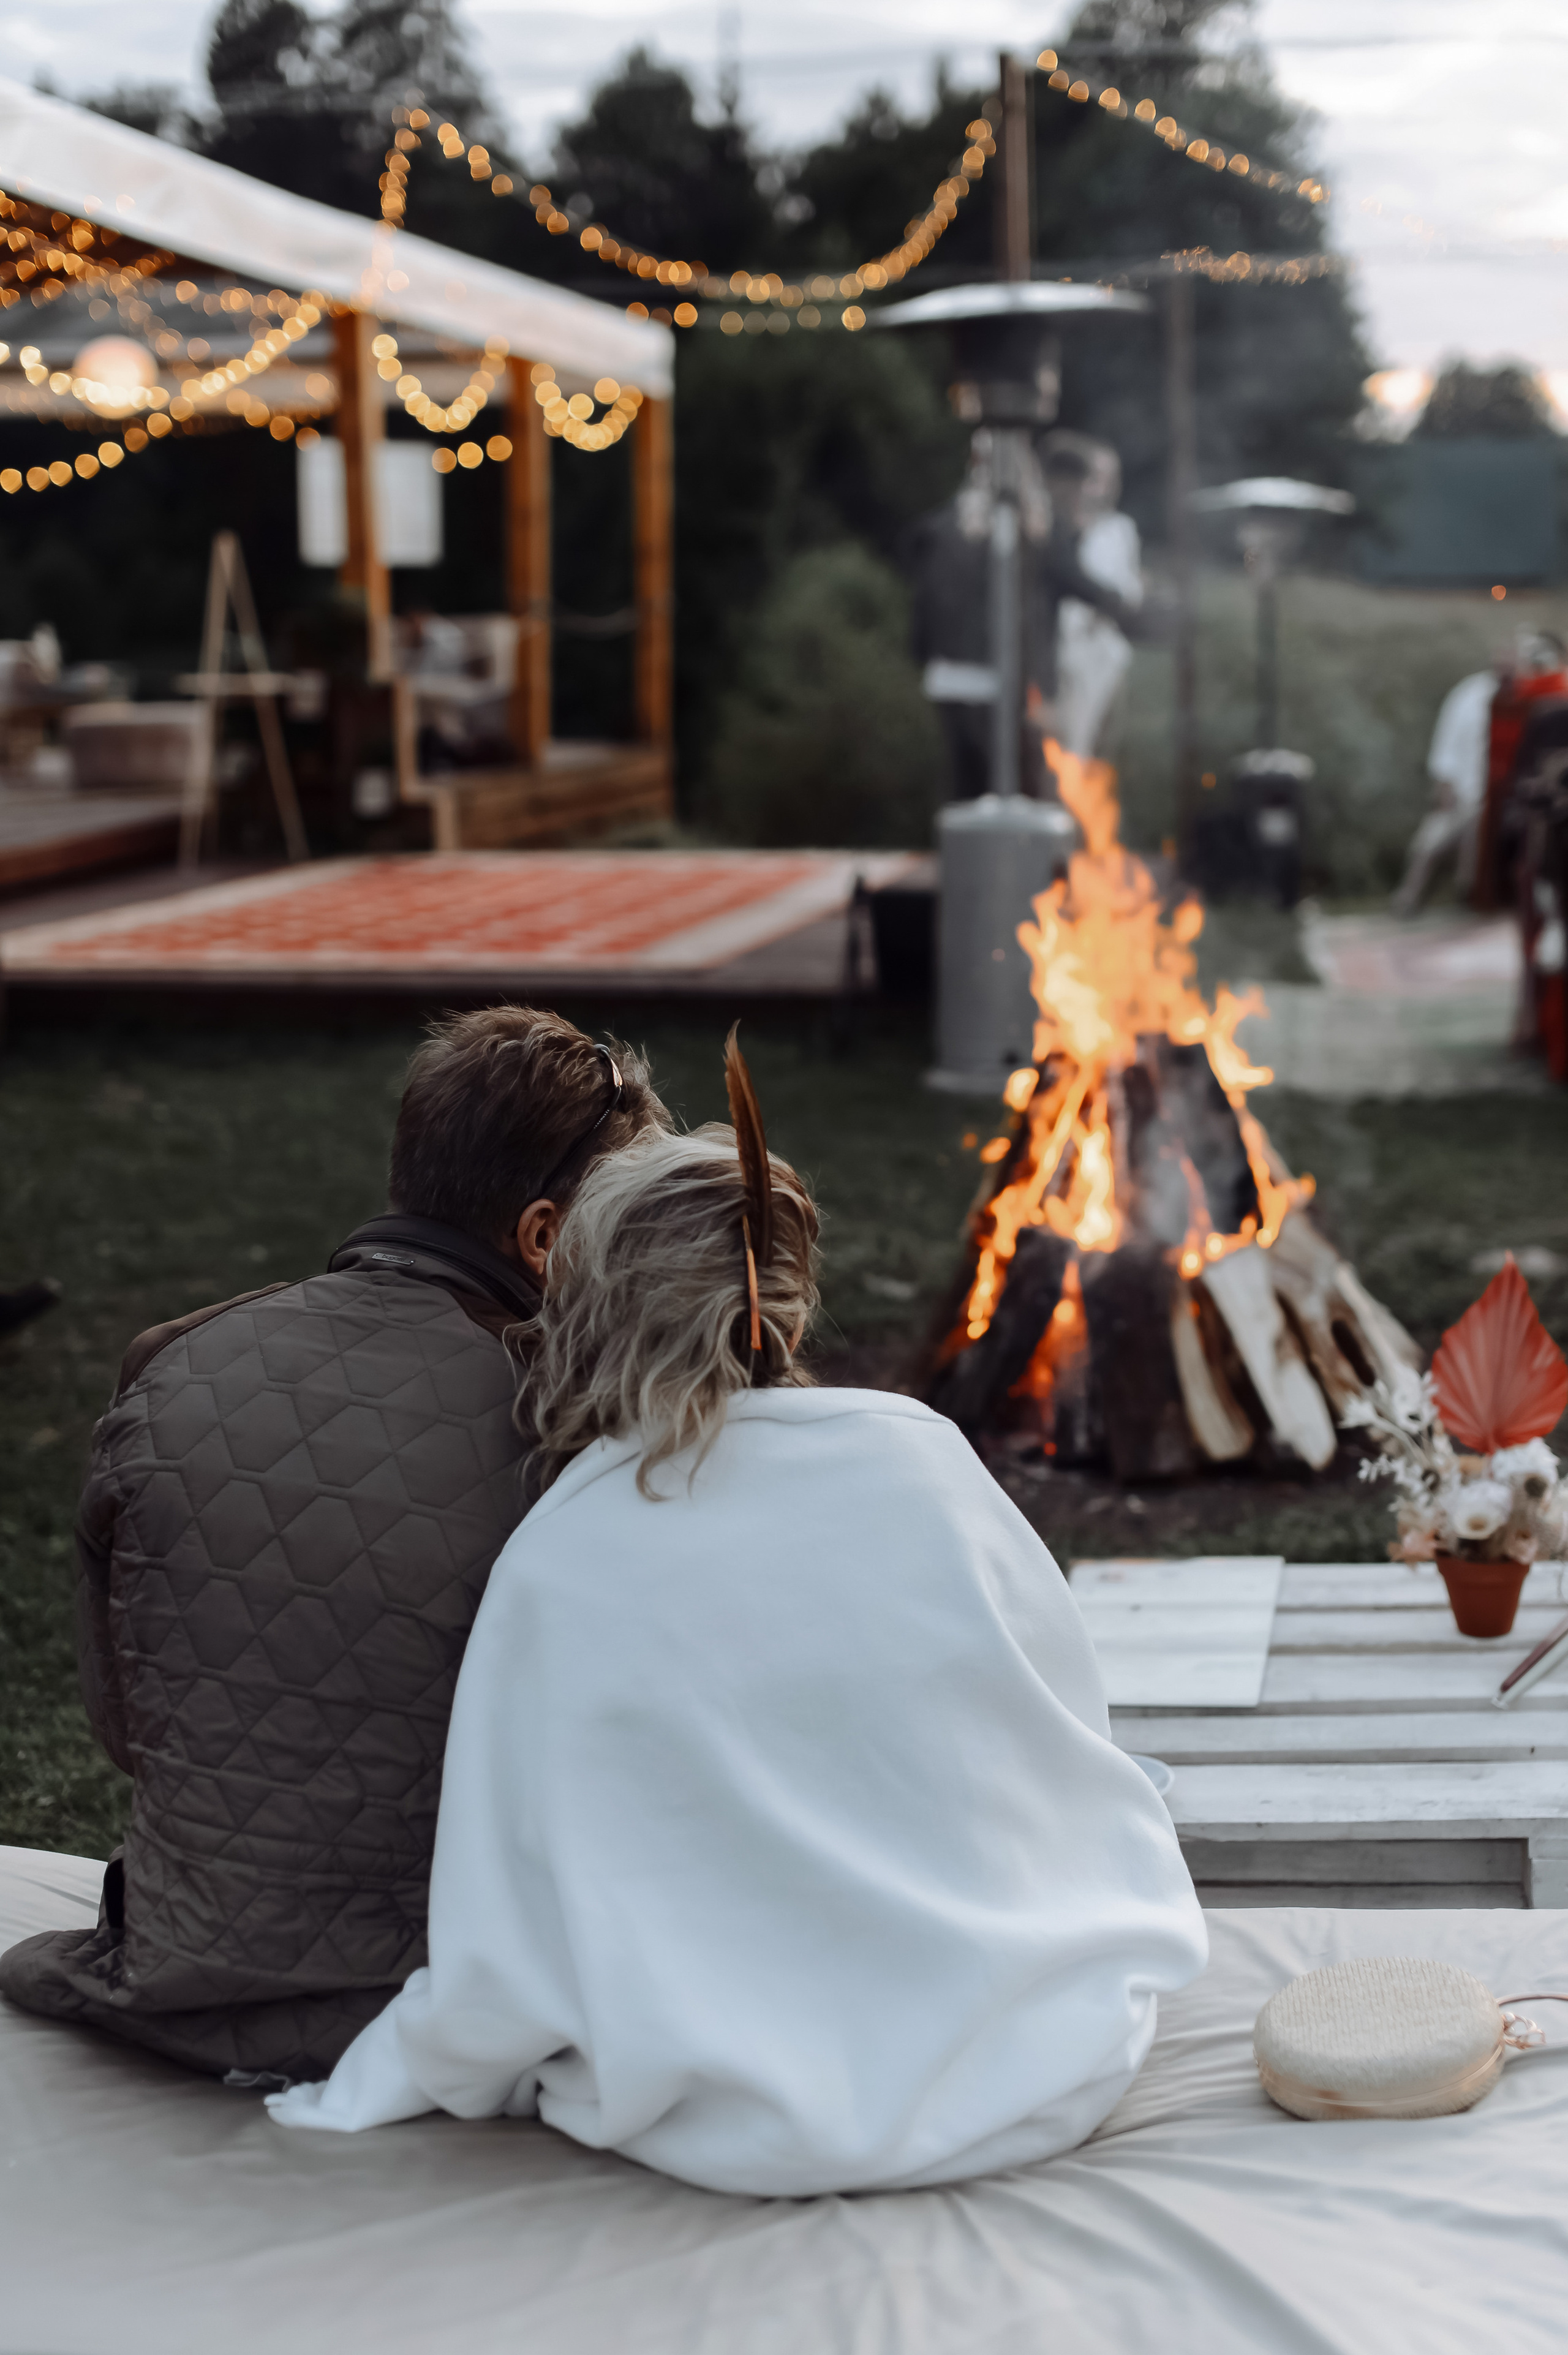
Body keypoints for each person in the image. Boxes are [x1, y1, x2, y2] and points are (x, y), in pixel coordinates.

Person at [268, 1038, 1207, 2196]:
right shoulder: (917, 1457)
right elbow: (1057, 1734)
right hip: (1033, 2048)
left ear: (590, 1305)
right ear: (786, 1300)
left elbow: (509, 1910)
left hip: (723, 2101)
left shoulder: (560, 1553)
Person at [0, 1007, 666, 2082]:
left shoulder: (170, 1361)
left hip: (171, 1969)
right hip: (440, 2003)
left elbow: (127, 1727)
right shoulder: (573, 1429)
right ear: (545, 1236)